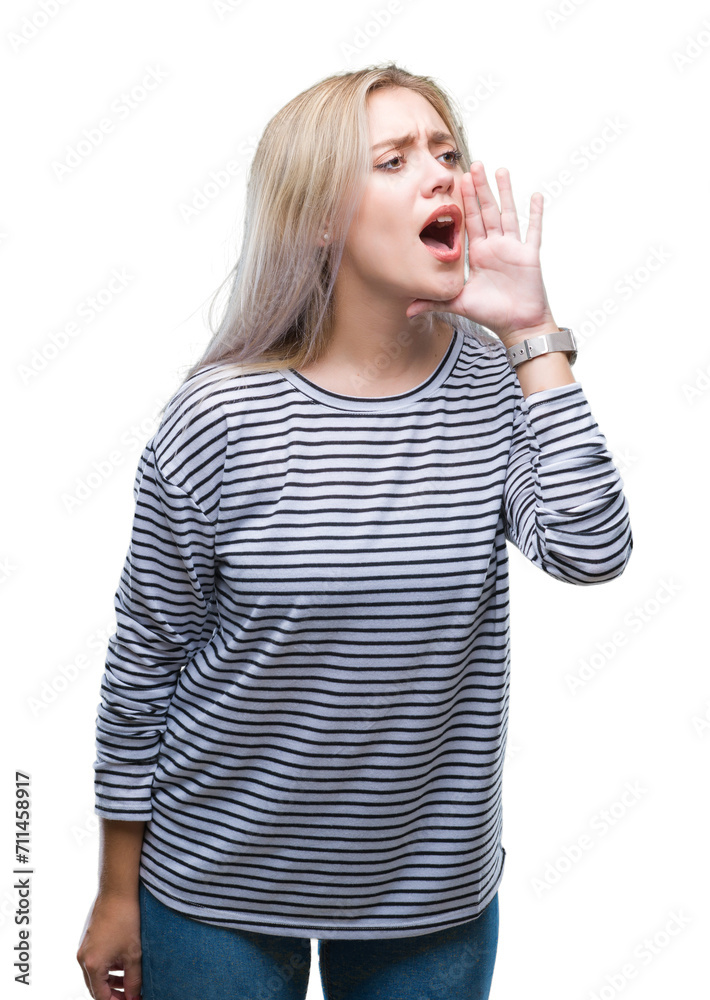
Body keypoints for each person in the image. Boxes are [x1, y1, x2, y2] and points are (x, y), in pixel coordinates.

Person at [76, 62, 633, 1000]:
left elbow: (592, 550)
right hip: (217, 887)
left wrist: (532, 332)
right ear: (321, 215)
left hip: (431, 898)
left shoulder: (494, 382)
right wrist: (114, 887)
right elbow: (144, 663)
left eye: (448, 151)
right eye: (395, 158)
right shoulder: (220, 416)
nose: (443, 174)